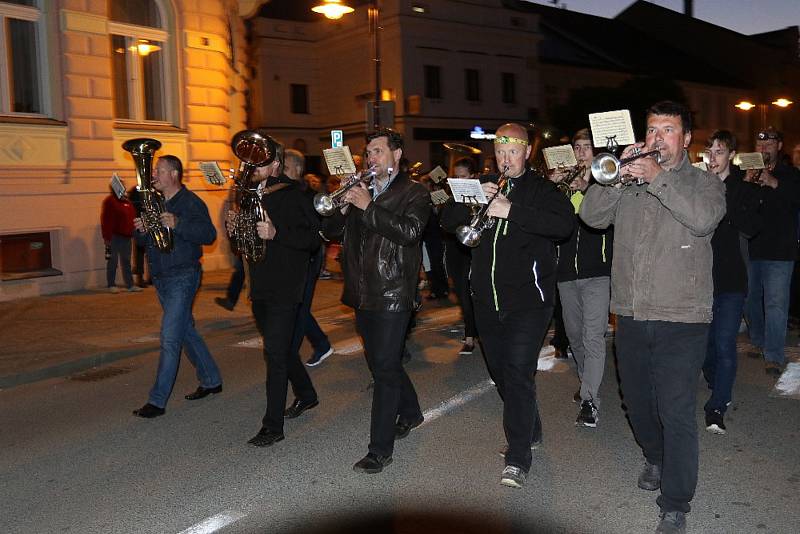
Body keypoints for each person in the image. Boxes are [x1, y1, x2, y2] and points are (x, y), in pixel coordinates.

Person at [580, 101, 726, 533]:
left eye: (668, 129)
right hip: (630, 310)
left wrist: (658, 179)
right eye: (652, 129)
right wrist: (615, 180)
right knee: (638, 402)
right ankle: (656, 456)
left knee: (676, 409)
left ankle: (676, 500)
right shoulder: (631, 180)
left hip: (683, 314)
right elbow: (590, 217)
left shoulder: (704, 183)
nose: (658, 137)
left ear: (685, 138)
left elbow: (702, 221)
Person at [441, 123, 574, 489]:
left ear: (526, 153)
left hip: (529, 301)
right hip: (486, 299)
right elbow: (445, 220)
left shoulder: (543, 190)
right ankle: (529, 424)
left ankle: (518, 457)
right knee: (502, 374)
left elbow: (563, 226)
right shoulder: (483, 184)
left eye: (512, 152)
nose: (505, 159)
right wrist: (469, 202)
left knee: (517, 372)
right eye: (500, 152)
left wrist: (511, 210)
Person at [322, 128, 429, 474]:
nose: (371, 159)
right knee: (384, 361)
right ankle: (411, 412)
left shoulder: (414, 192)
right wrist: (341, 206)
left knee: (383, 368)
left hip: (394, 292)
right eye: (368, 153)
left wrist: (368, 206)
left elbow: (410, 232)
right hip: (361, 291)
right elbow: (332, 234)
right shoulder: (360, 191)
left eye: (378, 151)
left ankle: (379, 449)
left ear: (397, 155)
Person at [228, 136, 322, 447]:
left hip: (285, 285)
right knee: (279, 348)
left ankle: (273, 426)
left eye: (261, 161)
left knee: (274, 354)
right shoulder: (248, 195)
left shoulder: (292, 194)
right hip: (260, 286)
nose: (253, 166)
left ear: (276, 165)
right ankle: (307, 395)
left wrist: (276, 233)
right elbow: (243, 245)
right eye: (251, 162)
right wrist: (234, 230)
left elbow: (312, 239)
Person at [131, 155, 223, 418]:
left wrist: (178, 224)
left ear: (173, 174)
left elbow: (209, 235)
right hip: (161, 277)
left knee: (170, 338)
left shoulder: (191, 202)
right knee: (185, 332)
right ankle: (211, 379)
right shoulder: (154, 203)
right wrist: (141, 228)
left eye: (159, 171)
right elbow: (141, 242)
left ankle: (157, 401)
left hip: (183, 275)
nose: (154, 176)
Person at [549, 128, 613, 428]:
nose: (582, 153)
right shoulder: (562, 186)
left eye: (588, 147)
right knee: (575, 337)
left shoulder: (607, 181)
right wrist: (554, 187)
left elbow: (606, 218)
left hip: (598, 271)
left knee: (593, 336)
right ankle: (589, 382)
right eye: (577, 147)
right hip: (566, 272)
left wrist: (585, 188)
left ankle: (590, 399)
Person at [701, 130, 762, 434]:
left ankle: (717, 406)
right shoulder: (699, 186)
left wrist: (724, 193)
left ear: (731, 156)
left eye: (719, 152)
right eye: (709, 152)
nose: (712, 158)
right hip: (700, 280)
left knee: (725, 344)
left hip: (731, 280)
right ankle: (715, 380)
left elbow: (750, 228)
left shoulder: (743, 189)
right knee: (706, 349)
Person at [743, 128, 800, 375]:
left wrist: (774, 183)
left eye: (769, 144)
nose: (764, 148)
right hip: (752, 246)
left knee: (776, 304)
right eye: (759, 143)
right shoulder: (747, 169)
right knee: (749, 299)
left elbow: (796, 200)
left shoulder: (791, 174)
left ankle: (774, 355)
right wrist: (747, 182)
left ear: (779, 146)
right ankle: (757, 339)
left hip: (779, 250)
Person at [283, 148, 334, 367]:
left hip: (309, 257)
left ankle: (292, 355)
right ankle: (321, 343)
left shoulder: (308, 195)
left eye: (284, 168)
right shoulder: (281, 192)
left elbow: (317, 229)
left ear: (296, 168)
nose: (280, 172)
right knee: (296, 306)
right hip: (291, 257)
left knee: (300, 307)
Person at [443, 157, 479, 354]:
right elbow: (446, 224)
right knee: (463, 294)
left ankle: (474, 333)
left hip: (474, 251)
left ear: (473, 176)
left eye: (463, 177)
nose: (459, 181)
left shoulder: (480, 195)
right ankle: (469, 335)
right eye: (456, 177)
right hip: (456, 250)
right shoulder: (452, 199)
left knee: (475, 295)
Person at [100, 186, 141, 293]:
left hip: (126, 236)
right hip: (114, 236)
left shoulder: (127, 202)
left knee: (126, 261)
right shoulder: (110, 201)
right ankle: (111, 284)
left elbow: (132, 217)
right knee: (113, 261)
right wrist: (107, 237)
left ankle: (130, 284)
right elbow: (106, 220)